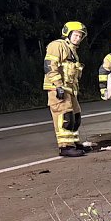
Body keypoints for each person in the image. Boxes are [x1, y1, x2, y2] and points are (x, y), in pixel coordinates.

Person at [43, 21, 87, 157]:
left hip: (69, 89)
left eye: (80, 36)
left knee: (76, 117)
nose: (78, 38)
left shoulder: (73, 51)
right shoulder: (57, 45)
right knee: (65, 116)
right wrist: (58, 85)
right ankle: (65, 147)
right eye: (75, 35)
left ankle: (73, 143)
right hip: (58, 88)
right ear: (67, 34)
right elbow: (50, 66)